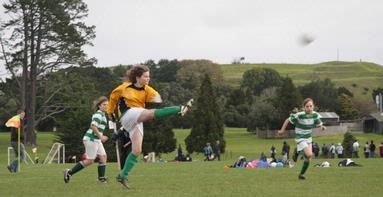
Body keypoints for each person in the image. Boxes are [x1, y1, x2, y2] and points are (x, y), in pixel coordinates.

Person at [107, 65, 193, 189]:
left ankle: (122, 175)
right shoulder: (124, 87)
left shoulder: (147, 89)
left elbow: (157, 98)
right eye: (145, 76)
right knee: (150, 113)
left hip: (137, 118)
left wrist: (156, 97)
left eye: (149, 76)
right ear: (137, 77)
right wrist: (110, 112)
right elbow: (113, 97)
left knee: (137, 150)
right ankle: (179, 108)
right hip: (128, 114)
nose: (148, 78)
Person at [64, 96, 110, 183]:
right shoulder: (98, 114)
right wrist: (101, 137)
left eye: (107, 105)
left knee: (103, 157)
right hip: (91, 139)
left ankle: (101, 179)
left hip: (96, 140)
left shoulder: (103, 114)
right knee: (90, 161)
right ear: (99, 106)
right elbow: (93, 126)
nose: (106, 106)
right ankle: (69, 172)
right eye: (104, 104)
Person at [278, 98, 326, 180]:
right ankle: (297, 151)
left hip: (308, 138)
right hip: (300, 138)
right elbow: (287, 120)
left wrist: (322, 127)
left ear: (313, 106)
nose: (309, 108)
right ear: (304, 108)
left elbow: (318, 124)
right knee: (309, 154)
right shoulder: (300, 115)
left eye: (311, 106)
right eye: (307, 106)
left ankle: (301, 174)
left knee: (308, 159)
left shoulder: (315, 115)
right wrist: (282, 130)